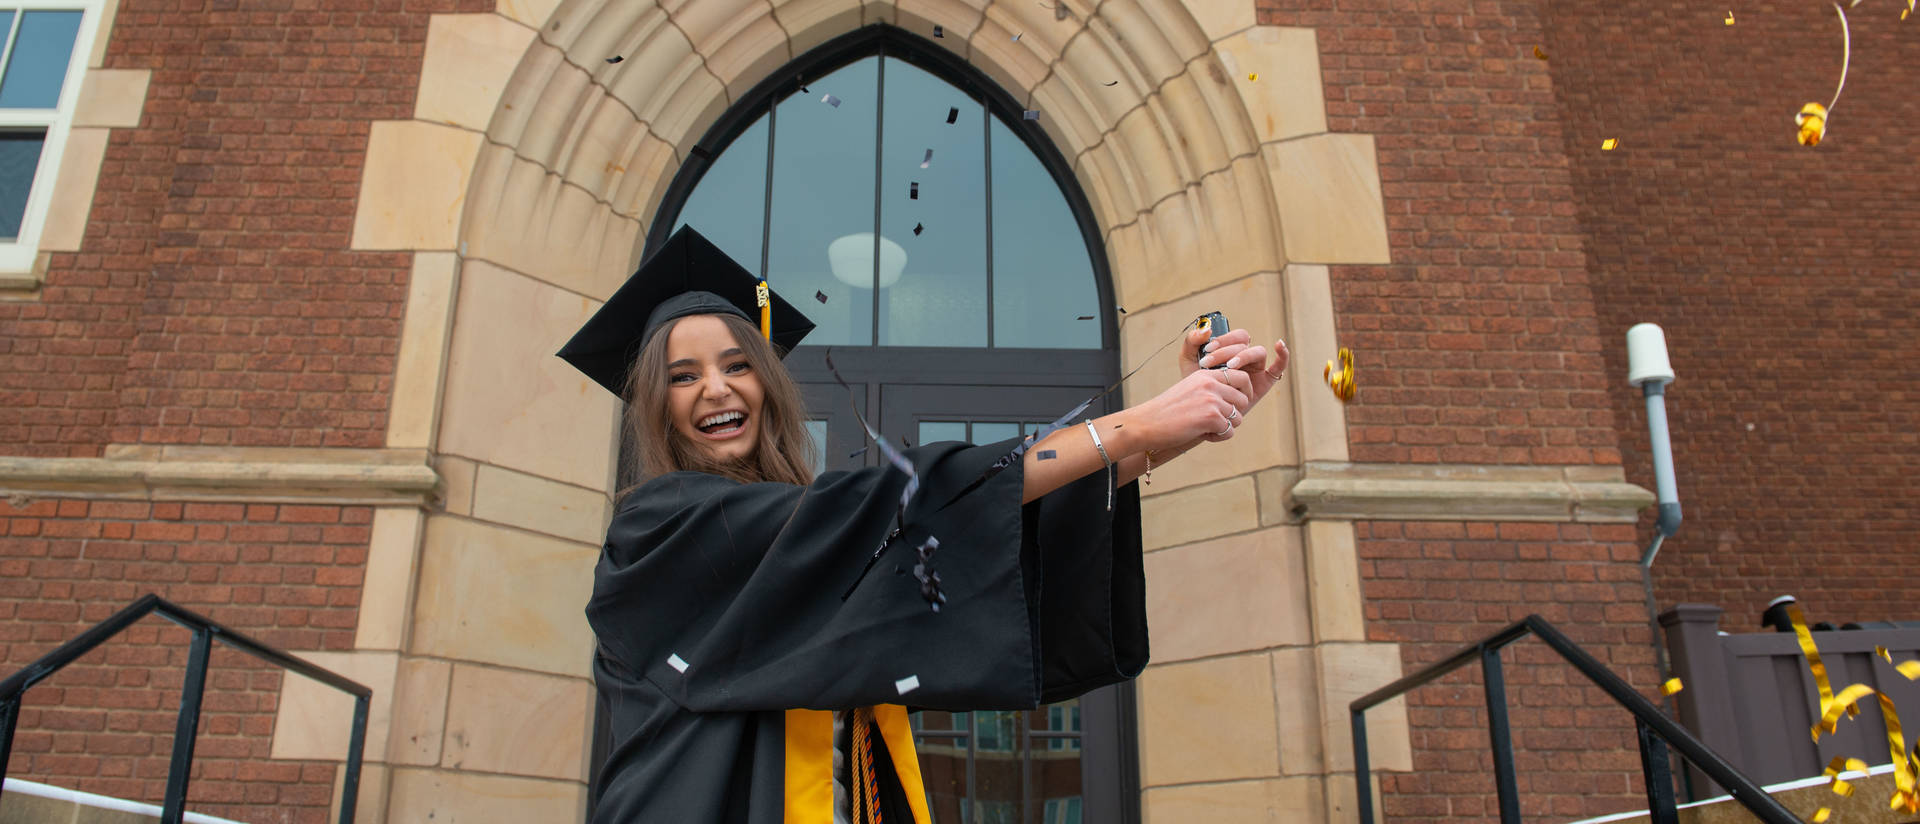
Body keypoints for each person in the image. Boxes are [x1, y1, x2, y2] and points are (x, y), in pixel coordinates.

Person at [559, 226, 1289, 823]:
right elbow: (897, 514)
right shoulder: (655, 532)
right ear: (655, 403)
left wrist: (1185, 421)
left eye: (735, 365)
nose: (715, 388)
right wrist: (1139, 424)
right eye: (683, 376)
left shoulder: (815, 544)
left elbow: (966, 541)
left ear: (765, 383)